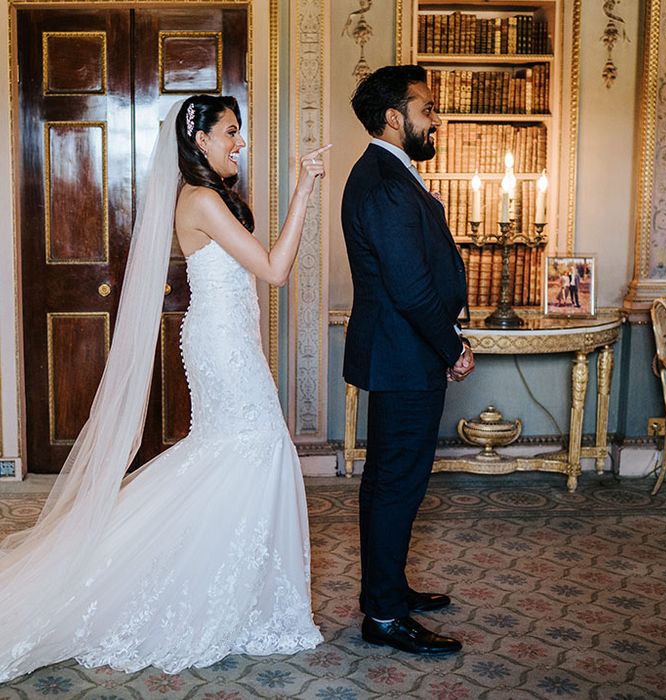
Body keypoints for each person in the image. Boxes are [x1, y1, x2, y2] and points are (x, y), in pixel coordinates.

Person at [0, 96, 329, 681]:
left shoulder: (204, 196)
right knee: (251, 450)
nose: (241, 142)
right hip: (222, 345)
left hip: (226, 340)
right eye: (232, 132)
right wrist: (305, 187)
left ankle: (237, 592)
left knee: (232, 454)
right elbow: (275, 270)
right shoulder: (199, 198)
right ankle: (186, 583)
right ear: (199, 138)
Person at [341, 65, 475, 656]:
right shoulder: (382, 181)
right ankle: (385, 617)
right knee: (396, 486)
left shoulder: (393, 175)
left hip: (403, 354)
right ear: (394, 117)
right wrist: (453, 346)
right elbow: (410, 286)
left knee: (391, 484)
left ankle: (388, 590)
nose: (435, 117)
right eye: (426, 107)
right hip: (405, 356)